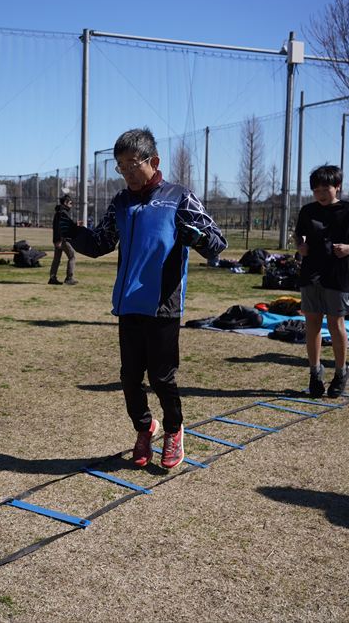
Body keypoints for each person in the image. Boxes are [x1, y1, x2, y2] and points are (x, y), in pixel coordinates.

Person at [58, 127, 226, 469]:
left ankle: (174, 430)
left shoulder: (180, 197)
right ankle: (145, 427)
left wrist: (198, 239)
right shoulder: (121, 202)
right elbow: (101, 243)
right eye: (121, 167)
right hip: (128, 304)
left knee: (162, 377)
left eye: (132, 164)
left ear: (154, 161)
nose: (127, 173)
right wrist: (72, 231)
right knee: (130, 378)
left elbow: (217, 244)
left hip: (163, 305)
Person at [294, 165, 349, 398]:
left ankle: (341, 371)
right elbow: (299, 234)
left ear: (337, 187)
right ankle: (315, 372)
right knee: (312, 323)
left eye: (325, 189)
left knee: (335, 324)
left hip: (336, 274)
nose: (320, 194)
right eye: (316, 190)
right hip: (310, 273)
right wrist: (300, 245)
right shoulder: (307, 210)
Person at [48, 194, 77, 285]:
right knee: (72, 256)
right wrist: (59, 240)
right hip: (62, 239)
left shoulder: (59, 212)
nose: (71, 205)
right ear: (65, 203)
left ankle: (52, 278)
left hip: (58, 239)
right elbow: (60, 227)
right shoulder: (62, 213)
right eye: (70, 203)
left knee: (57, 259)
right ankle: (69, 278)